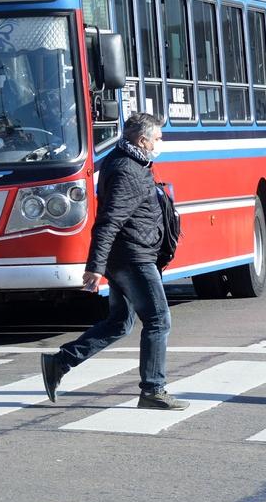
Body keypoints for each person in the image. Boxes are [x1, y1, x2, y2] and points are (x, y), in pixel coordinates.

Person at [40, 113, 187, 411]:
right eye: (157, 138)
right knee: (158, 321)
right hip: (133, 258)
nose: (161, 143)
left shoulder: (130, 161)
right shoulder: (126, 170)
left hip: (131, 255)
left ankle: (60, 362)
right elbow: (108, 222)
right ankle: (153, 390)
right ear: (141, 140)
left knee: (119, 323)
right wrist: (95, 266)